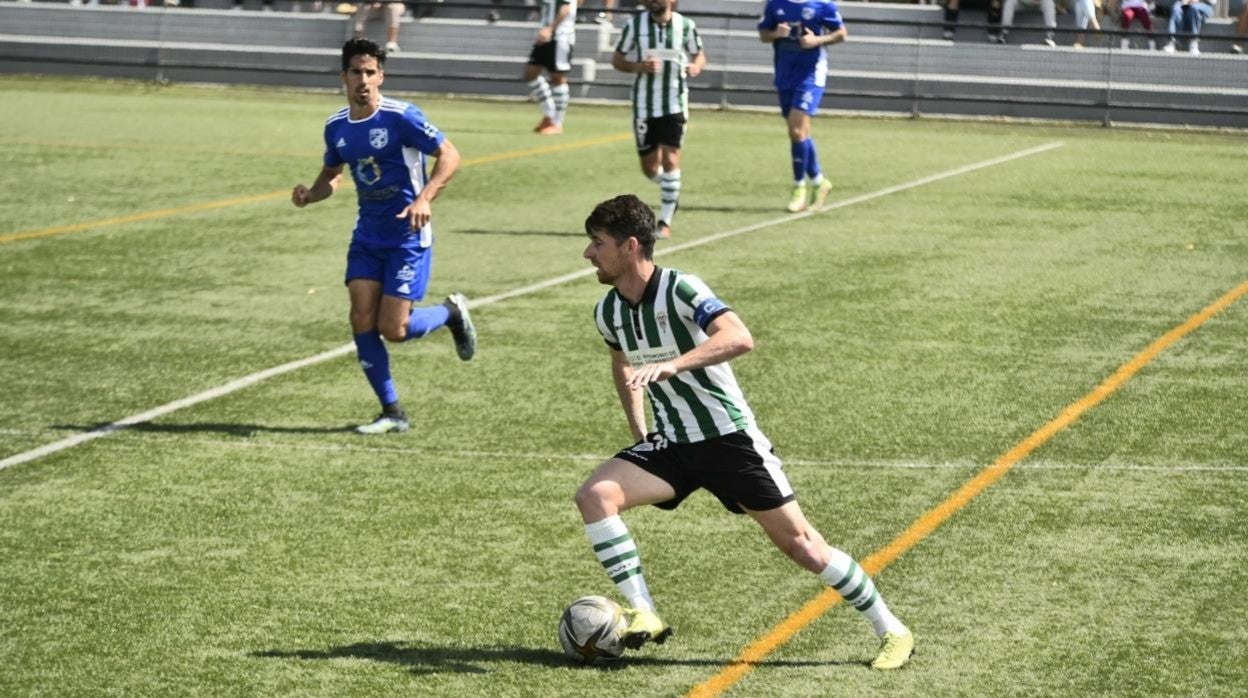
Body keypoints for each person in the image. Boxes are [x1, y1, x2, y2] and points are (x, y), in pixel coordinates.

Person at [575, 194, 915, 670]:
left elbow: (739, 337)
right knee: (595, 495)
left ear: (630, 247)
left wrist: (673, 366)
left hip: (728, 441)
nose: (588, 254)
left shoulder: (682, 289)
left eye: (597, 243)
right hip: (673, 444)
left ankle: (892, 629)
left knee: (804, 547)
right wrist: (640, 431)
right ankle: (644, 611)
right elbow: (622, 365)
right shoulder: (608, 312)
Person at [291, 38, 477, 435]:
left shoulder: (402, 117)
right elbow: (332, 176)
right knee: (360, 315)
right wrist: (310, 196)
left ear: (381, 76)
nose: (364, 80)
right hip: (367, 236)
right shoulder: (336, 126)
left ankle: (451, 312)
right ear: (343, 77)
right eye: (356, 72)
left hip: (408, 236)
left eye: (370, 72)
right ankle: (392, 411)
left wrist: (425, 197)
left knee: (394, 330)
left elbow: (450, 155)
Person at [612, 0, 706, 240]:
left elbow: (699, 56)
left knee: (671, 157)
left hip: (675, 103)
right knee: (650, 168)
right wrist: (639, 66)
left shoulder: (686, 26)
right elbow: (617, 59)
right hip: (644, 105)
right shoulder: (635, 25)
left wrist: (695, 67)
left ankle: (664, 222)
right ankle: (670, 191)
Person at [757, 0, 846, 213]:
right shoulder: (775, 4)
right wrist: (775, 33)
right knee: (800, 132)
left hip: (811, 74)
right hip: (785, 74)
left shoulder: (823, 5)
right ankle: (819, 181)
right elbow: (763, 34)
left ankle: (799, 188)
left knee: (796, 130)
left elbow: (841, 33)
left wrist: (818, 40)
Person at [524, 0, 578, 135]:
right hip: (545, 35)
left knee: (557, 77)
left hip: (560, 37)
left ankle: (557, 122)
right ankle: (550, 114)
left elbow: (566, 8)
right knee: (531, 73)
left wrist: (550, 28)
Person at [992, 0, 1058, 46]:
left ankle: (1049, 37)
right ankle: (1003, 34)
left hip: (1038, 4)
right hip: (1021, 4)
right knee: (1010, 1)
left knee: (1049, 2)